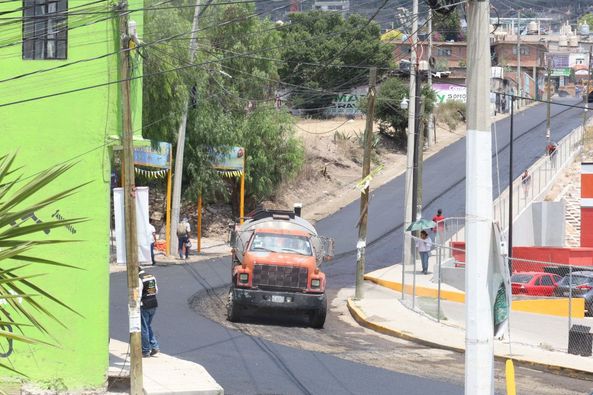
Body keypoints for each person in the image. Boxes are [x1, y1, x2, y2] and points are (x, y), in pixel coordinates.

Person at [139, 268, 159, 357]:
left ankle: (145, 350)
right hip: (153, 303)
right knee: (148, 326)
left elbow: (138, 294)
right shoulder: (151, 276)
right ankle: (154, 346)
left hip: (144, 305)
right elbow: (156, 290)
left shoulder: (139, 279)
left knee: (143, 328)